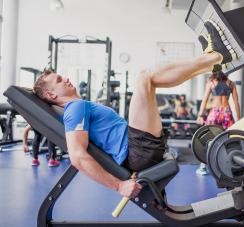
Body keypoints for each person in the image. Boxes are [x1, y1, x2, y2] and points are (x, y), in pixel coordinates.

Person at [32, 21, 231, 199]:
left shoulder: (77, 106)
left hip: (137, 145)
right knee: (145, 77)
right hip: (137, 149)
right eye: (59, 80)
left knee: (148, 80)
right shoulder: (74, 108)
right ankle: (214, 57)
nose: (65, 78)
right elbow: (77, 157)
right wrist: (118, 186)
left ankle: (211, 64)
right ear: (51, 95)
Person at [195, 70, 241, 175]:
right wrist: (238, 119)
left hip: (214, 112)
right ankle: (230, 165)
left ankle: (203, 166)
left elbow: (204, 100)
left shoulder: (211, 82)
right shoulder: (230, 83)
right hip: (226, 112)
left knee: (206, 138)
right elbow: (236, 102)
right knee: (230, 138)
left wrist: (200, 115)